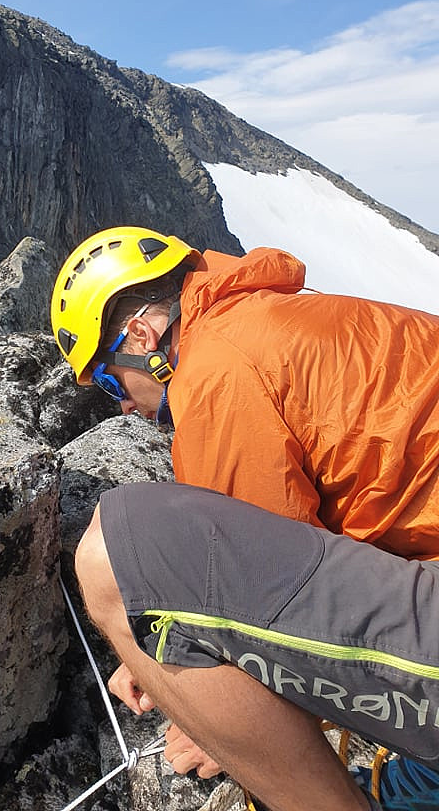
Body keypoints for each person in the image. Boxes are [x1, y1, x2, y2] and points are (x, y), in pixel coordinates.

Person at [50, 225, 439, 809]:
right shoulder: (267, 320)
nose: (125, 406)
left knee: (109, 556)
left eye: (109, 382)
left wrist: (207, 710)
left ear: (140, 335)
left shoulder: (216, 372)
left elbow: (267, 601)